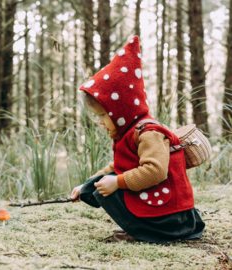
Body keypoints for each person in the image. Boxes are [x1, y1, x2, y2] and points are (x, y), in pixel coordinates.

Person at [71, 36, 205, 243]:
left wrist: (117, 182)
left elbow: (155, 171)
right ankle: (143, 225)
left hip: (172, 217)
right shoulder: (132, 130)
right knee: (101, 184)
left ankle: (146, 230)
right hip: (162, 208)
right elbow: (117, 166)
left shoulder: (149, 132)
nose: (100, 122)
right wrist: (87, 185)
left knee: (109, 188)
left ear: (120, 110)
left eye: (102, 116)